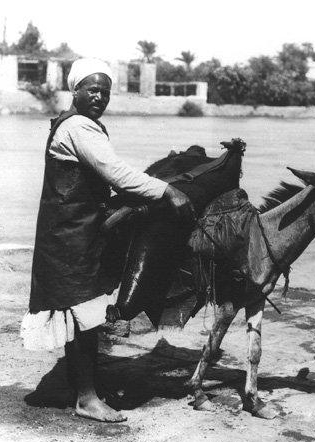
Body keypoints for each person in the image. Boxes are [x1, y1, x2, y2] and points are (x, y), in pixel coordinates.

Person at [23, 58, 194, 423]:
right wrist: (167, 191)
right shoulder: (79, 129)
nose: (100, 96)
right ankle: (87, 398)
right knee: (86, 315)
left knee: (79, 314)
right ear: (76, 90)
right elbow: (114, 172)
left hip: (70, 230)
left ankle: (80, 383)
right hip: (71, 234)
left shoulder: (75, 124)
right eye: (92, 89)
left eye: (106, 91)